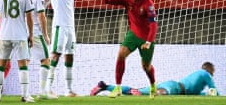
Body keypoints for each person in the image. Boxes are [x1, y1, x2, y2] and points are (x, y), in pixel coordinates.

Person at [102, 0, 158, 98]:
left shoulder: (148, 2)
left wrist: (148, 41)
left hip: (146, 37)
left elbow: (154, 24)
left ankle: (153, 86)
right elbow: (108, 0)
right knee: (121, 54)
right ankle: (118, 88)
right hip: (133, 34)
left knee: (146, 66)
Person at [46, 0, 91, 97]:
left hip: (71, 27)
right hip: (60, 27)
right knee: (55, 55)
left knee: (69, 56)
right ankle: (47, 88)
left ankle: (68, 90)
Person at [90, 62, 219, 96]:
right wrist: (218, 96)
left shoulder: (198, 82)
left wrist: (206, 93)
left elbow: (201, 93)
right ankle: (141, 94)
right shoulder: (204, 73)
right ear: (209, 70)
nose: (211, 76)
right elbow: (214, 91)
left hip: (172, 85)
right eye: (212, 73)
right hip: (174, 87)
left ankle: (105, 86)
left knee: (135, 90)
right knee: (164, 93)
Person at [27, 0, 56, 99]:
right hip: (36, 32)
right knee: (45, 60)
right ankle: (42, 92)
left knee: (24, 62)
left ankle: (25, 94)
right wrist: (46, 34)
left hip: (23, 33)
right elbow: (41, 16)